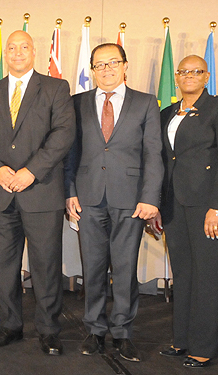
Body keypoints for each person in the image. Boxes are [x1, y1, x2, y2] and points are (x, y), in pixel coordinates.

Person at [0, 30, 75, 355]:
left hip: (41, 192)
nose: (17, 52)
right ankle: (10, 325)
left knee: (45, 265)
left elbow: (63, 133)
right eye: (12, 48)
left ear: (35, 52)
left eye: (24, 47)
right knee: (4, 267)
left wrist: (31, 171)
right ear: (5, 53)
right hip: (1, 193)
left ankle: (48, 330)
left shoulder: (55, 88)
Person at [64, 43, 163, 361]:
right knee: (92, 268)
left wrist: (150, 198)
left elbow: (153, 153)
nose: (106, 69)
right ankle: (95, 330)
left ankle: (122, 332)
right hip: (88, 197)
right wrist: (69, 191)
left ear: (125, 65)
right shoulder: (76, 103)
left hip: (130, 200)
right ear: (91, 70)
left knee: (124, 269)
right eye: (99, 65)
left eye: (112, 63)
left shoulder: (146, 103)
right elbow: (70, 153)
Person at [156, 55, 218, 368]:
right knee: (183, 274)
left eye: (196, 71)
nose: (189, 76)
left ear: (206, 76)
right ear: (177, 77)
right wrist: (157, 203)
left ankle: (204, 346)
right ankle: (182, 341)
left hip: (208, 205)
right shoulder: (166, 112)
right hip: (174, 204)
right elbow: (164, 162)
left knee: (206, 275)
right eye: (183, 71)